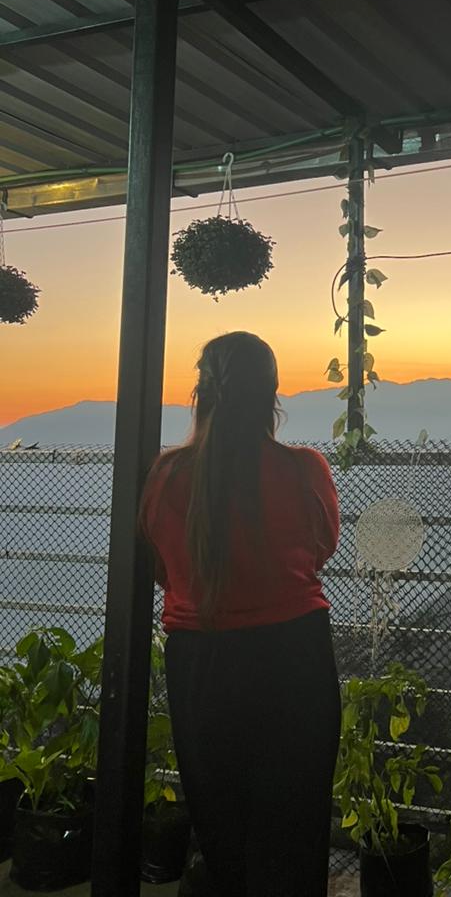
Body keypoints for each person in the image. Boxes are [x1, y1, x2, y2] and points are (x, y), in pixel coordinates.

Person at [139, 332, 340, 896]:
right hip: (293, 660)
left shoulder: (165, 476)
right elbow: (319, 548)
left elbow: (164, 569)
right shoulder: (305, 471)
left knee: (222, 822)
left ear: (200, 394)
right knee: (294, 826)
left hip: (200, 665)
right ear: (272, 396)